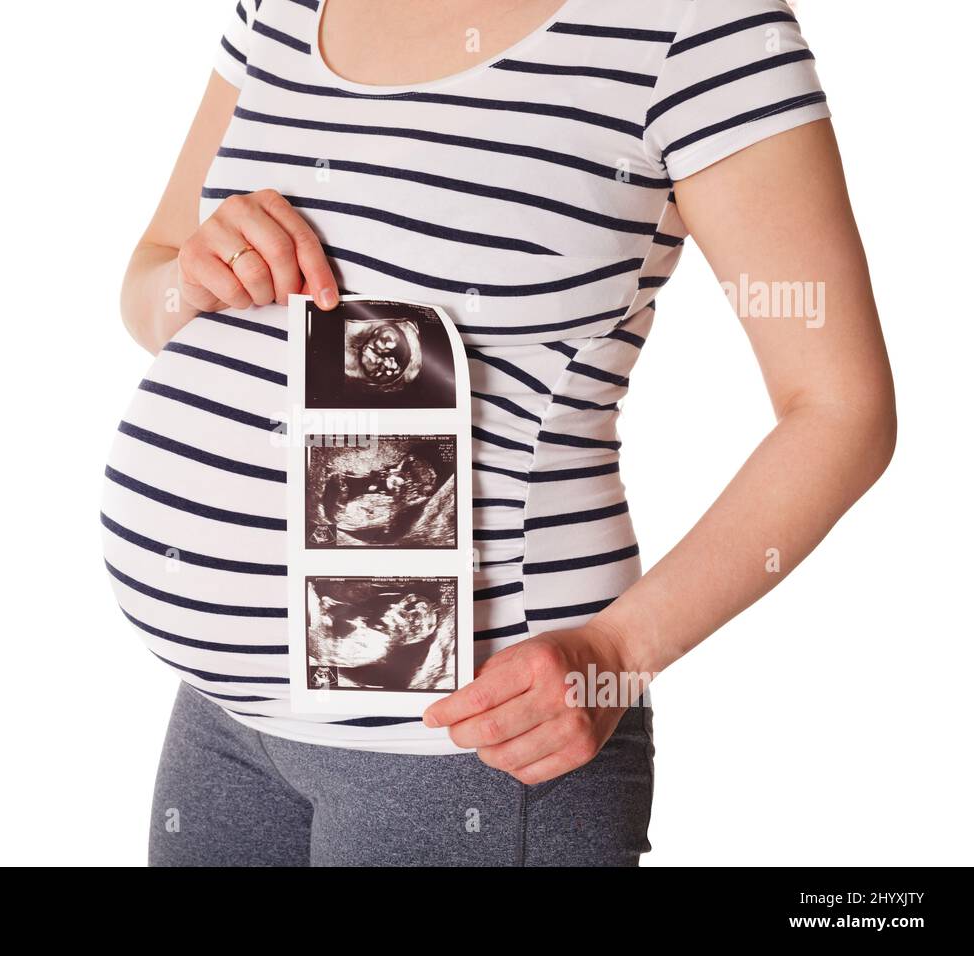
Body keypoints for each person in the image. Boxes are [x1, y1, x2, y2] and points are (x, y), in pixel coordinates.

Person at [103, 0, 895, 866]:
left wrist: (616, 653)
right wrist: (197, 273)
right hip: (222, 726)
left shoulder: (695, 23)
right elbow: (153, 284)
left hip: (473, 750)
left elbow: (842, 408)